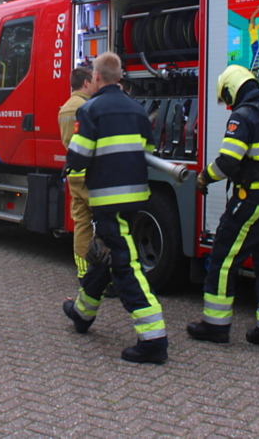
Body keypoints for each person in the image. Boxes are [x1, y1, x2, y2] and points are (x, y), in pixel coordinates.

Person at [62, 52, 168, 364]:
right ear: (120, 77)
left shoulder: (90, 109)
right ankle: (82, 313)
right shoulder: (138, 110)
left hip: (106, 199)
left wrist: (71, 169)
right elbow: (148, 150)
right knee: (106, 257)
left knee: (124, 266)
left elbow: (79, 156)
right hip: (135, 197)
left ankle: (154, 340)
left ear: (95, 78)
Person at [187, 65, 259, 350]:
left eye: (227, 97)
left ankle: (215, 326)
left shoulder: (242, 116)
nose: (228, 104)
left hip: (249, 201)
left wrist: (205, 176)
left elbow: (229, 161)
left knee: (222, 258)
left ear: (232, 88)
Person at [57, 65, 96, 279]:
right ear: (86, 83)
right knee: (105, 224)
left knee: (81, 224)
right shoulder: (88, 107)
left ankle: (84, 272)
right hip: (91, 172)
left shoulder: (65, 108)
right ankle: (103, 275)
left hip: (74, 173)